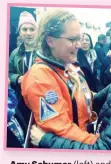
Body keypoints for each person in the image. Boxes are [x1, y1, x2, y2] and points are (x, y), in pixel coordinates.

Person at [21, 9, 99, 146]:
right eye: (72, 39)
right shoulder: (39, 77)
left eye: (79, 38)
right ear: (50, 41)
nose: (79, 44)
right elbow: (61, 129)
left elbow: (86, 98)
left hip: (83, 141)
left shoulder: (69, 66)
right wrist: (101, 145)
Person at [9, 11, 38, 126]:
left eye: (32, 29)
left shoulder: (44, 52)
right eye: (24, 29)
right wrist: (17, 78)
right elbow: (8, 73)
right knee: (26, 125)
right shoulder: (15, 53)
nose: (28, 33)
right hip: (22, 97)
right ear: (19, 32)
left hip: (41, 97)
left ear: (36, 31)